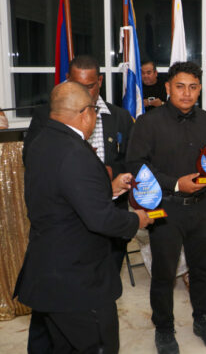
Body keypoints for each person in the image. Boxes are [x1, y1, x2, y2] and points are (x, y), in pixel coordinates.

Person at [14, 81, 152, 354]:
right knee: (97, 346)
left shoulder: (41, 142)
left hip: (46, 268)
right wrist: (137, 220)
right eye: (95, 112)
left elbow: (61, 196)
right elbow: (101, 220)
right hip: (77, 281)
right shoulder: (76, 152)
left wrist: (108, 190)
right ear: (85, 113)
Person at [126, 62, 206, 354]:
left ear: (200, 89)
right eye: (180, 86)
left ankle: (203, 319)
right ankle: (164, 327)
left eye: (193, 87)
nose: (187, 93)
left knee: (203, 269)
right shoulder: (148, 122)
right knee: (164, 274)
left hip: (204, 206)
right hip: (166, 209)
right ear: (168, 87)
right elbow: (136, 165)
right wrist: (176, 183)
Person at [23, 54, 134, 271]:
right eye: (76, 85)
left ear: (100, 81)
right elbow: (31, 159)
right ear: (67, 80)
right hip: (67, 225)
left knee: (108, 280)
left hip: (112, 216)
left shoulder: (120, 116)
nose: (83, 92)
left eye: (89, 86)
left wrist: (110, 172)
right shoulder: (48, 115)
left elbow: (132, 160)